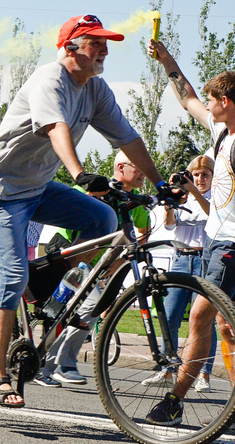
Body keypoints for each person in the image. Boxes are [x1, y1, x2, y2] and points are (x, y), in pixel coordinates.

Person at [0, 15, 164, 409]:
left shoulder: (95, 88)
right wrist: (80, 174)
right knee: (12, 273)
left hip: (38, 188)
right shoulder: (50, 80)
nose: (105, 51)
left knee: (103, 220)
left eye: (106, 44)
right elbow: (56, 128)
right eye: (96, 43)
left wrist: (160, 184)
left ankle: (52, 289)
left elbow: (127, 137)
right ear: (71, 47)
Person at [147, 35, 235, 432]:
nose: (208, 105)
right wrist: (166, 59)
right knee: (225, 324)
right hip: (216, 243)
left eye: (214, 100)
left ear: (228, 103)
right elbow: (186, 98)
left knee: (200, 318)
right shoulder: (221, 135)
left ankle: (173, 401)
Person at [41, 148, 154, 387]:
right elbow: (69, 207)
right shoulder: (99, 187)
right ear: (121, 168)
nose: (143, 171)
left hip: (98, 263)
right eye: (137, 165)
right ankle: (55, 363)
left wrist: (119, 262)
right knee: (66, 309)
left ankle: (57, 363)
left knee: (88, 309)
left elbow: (143, 233)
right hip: (71, 252)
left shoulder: (134, 201)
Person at [143, 154, 215, 391]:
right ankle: (167, 370)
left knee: (203, 321)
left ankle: (202, 374)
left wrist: (193, 191)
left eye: (205, 175)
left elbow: (211, 217)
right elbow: (170, 225)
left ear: (213, 177)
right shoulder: (184, 196)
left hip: (204, 259)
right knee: (170, 315)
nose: (200, 179)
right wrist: (170, 203)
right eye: (196, 175)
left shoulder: (215, 197)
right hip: (181, 258)